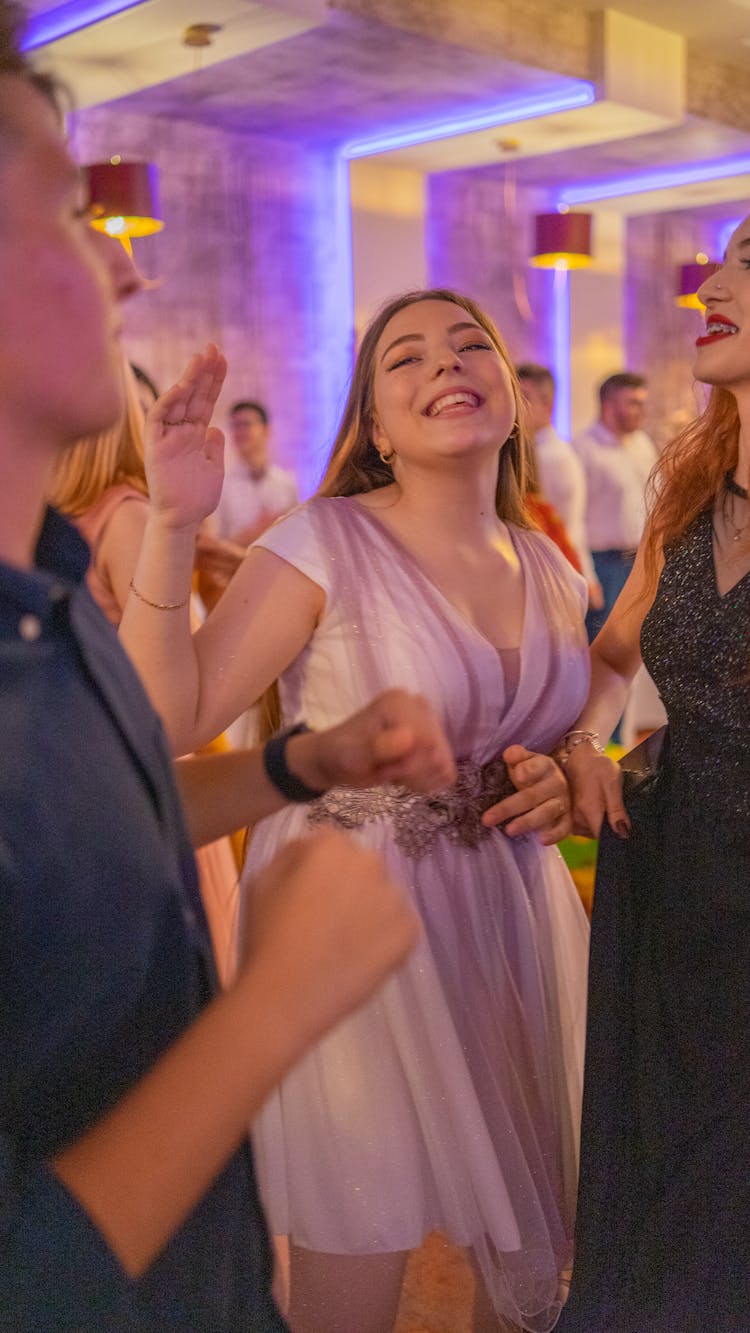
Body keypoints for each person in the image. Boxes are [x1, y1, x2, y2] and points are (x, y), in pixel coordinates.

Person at [0, 12, 457, 1327]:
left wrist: (295, 764)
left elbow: (116, 815)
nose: (126, 278)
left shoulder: (46, 599)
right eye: (67, 216)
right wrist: (270, 1012)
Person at [121, 288, 592, 1333]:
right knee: (355, 1245)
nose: (446, 364)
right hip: (348, 917)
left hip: (510, 918)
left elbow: (570, 734)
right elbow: (176, 712)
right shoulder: (322, 541)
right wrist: (168, 525)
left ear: (513, 395)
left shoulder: (556, 571)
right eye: (407, 358)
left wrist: (569, 767)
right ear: (374, 426)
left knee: (524, 1268)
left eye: (472, 344)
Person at [556, 217, 750, 1332]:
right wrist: (584, 742)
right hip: (670, 904)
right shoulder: (689, 493)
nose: (709, 286)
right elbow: (612, 660)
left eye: (746, 263)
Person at [572, 372, 657, 641]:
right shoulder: (583, 449)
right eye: (633, 402)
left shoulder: (642, 443)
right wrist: (587, 576)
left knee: (639, 647)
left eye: (643, 403)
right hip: (604, 566)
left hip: (641, 560)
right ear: (608, 405)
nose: (641, 410)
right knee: (603, 646)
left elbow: (656, 499)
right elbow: (573, 521)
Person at [516, 363, 599, 603]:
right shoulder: (538, 451)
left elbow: (560, 526)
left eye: (524, 398)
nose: (515, 407)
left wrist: (586, 576)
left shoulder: (550, 457)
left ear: (547, 405)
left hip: (553, 571)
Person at [215, 399, 298, 546]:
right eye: (235, 426)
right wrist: (258, 530)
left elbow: (295, 536)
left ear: (266, 430)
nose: (239, 432)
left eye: (246, 424)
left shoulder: (286, 483)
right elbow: (216, 545)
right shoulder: (221, 486)